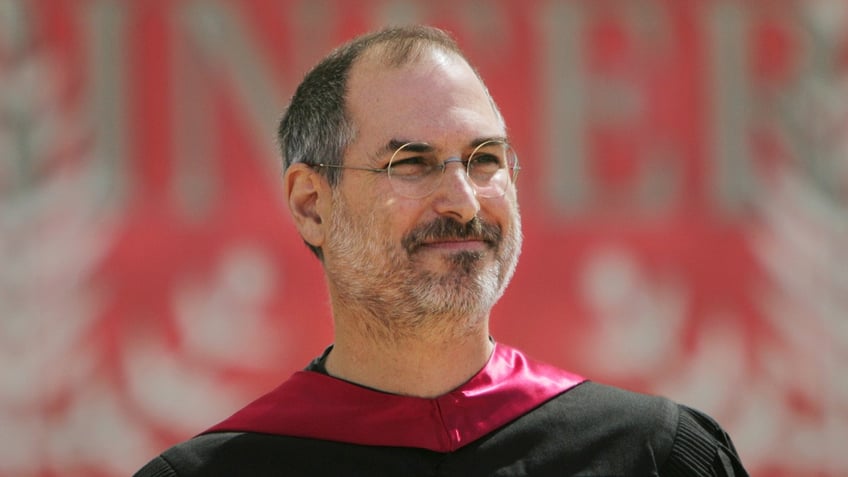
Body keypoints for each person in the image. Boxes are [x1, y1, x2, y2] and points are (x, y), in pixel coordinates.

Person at [134, 25, 749, 476]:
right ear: (311, 205)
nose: (463, 201)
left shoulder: (655, 459)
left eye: (485, 160)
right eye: (412, 163)